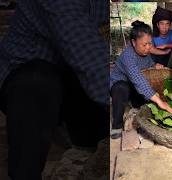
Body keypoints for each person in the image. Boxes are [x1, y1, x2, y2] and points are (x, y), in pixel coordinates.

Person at [0, 0, 108, 179]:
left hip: (72, 73)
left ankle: (84, 146)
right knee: (36, 83)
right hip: (27, 79)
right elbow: (90, 59)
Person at [110, 20, 172, 139]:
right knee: (121, 88)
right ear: (133, 42)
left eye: (150, 44)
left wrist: (154, 65)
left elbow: (148, 64)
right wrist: (160, 101)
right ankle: (116, 125)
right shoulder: (128, 56)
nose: (148, 48)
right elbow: (138, 79)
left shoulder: (146, 53)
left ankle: (132, 106)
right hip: (120, 85)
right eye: (144, 45)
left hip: (134, 86)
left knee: (145, 102)